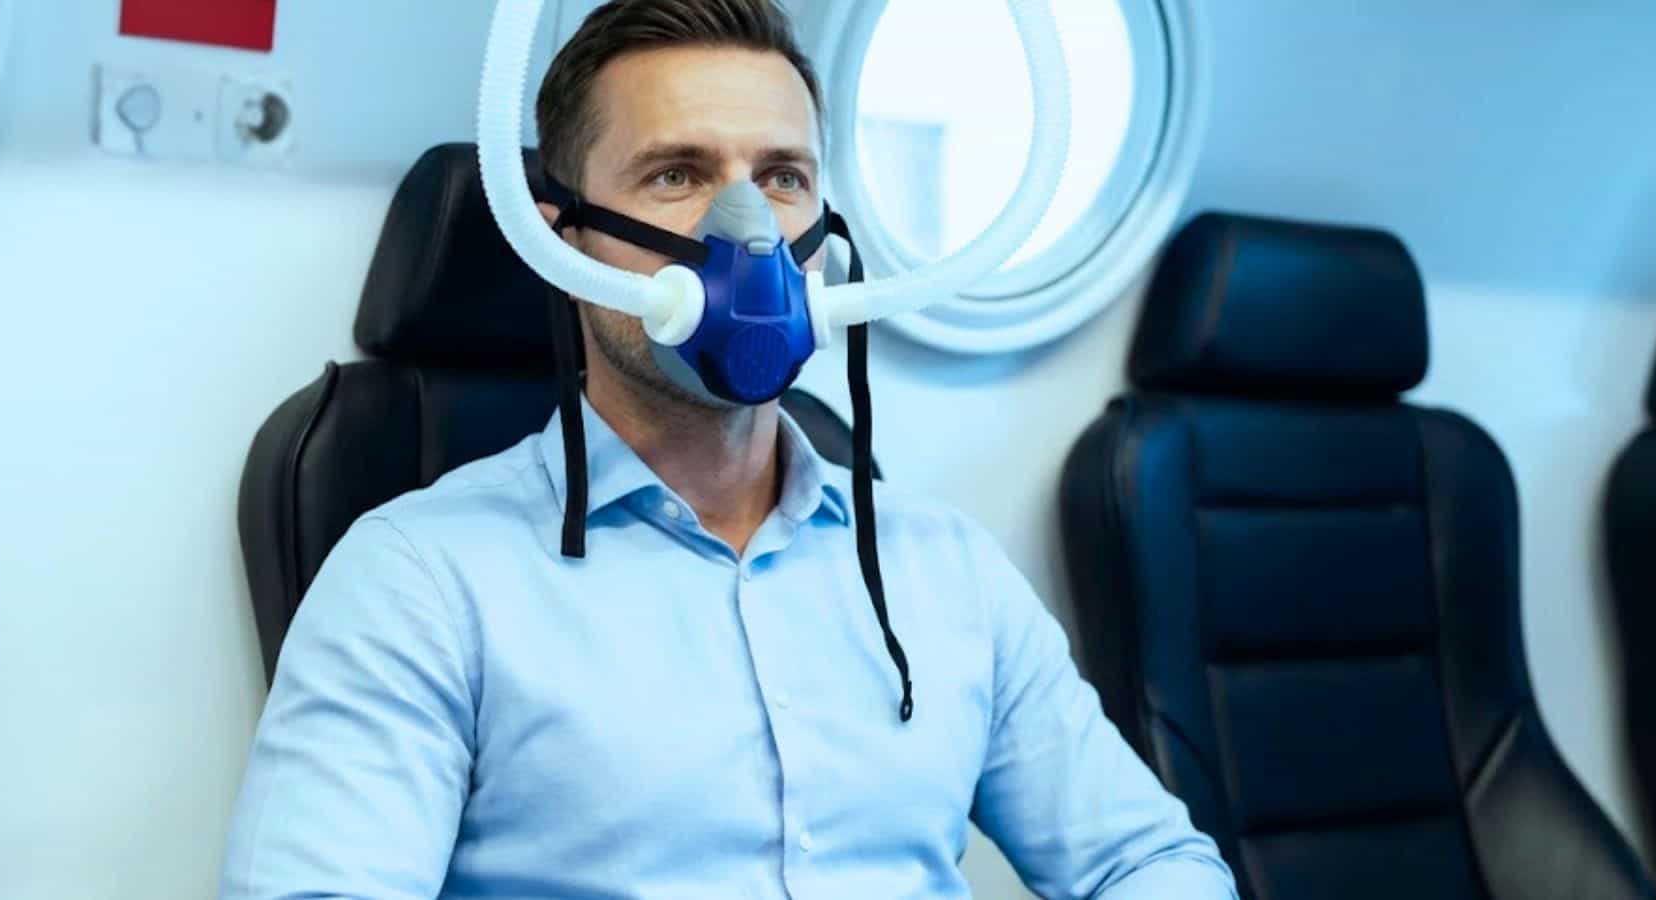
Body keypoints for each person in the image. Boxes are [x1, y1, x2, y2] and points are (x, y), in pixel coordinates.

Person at [218, 1, 1236, 897]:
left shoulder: (947, 571)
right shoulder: (421, 581)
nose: (747, 228)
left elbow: (1142, 861)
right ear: (561, 240)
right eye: (677, 173)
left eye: (782, 176)